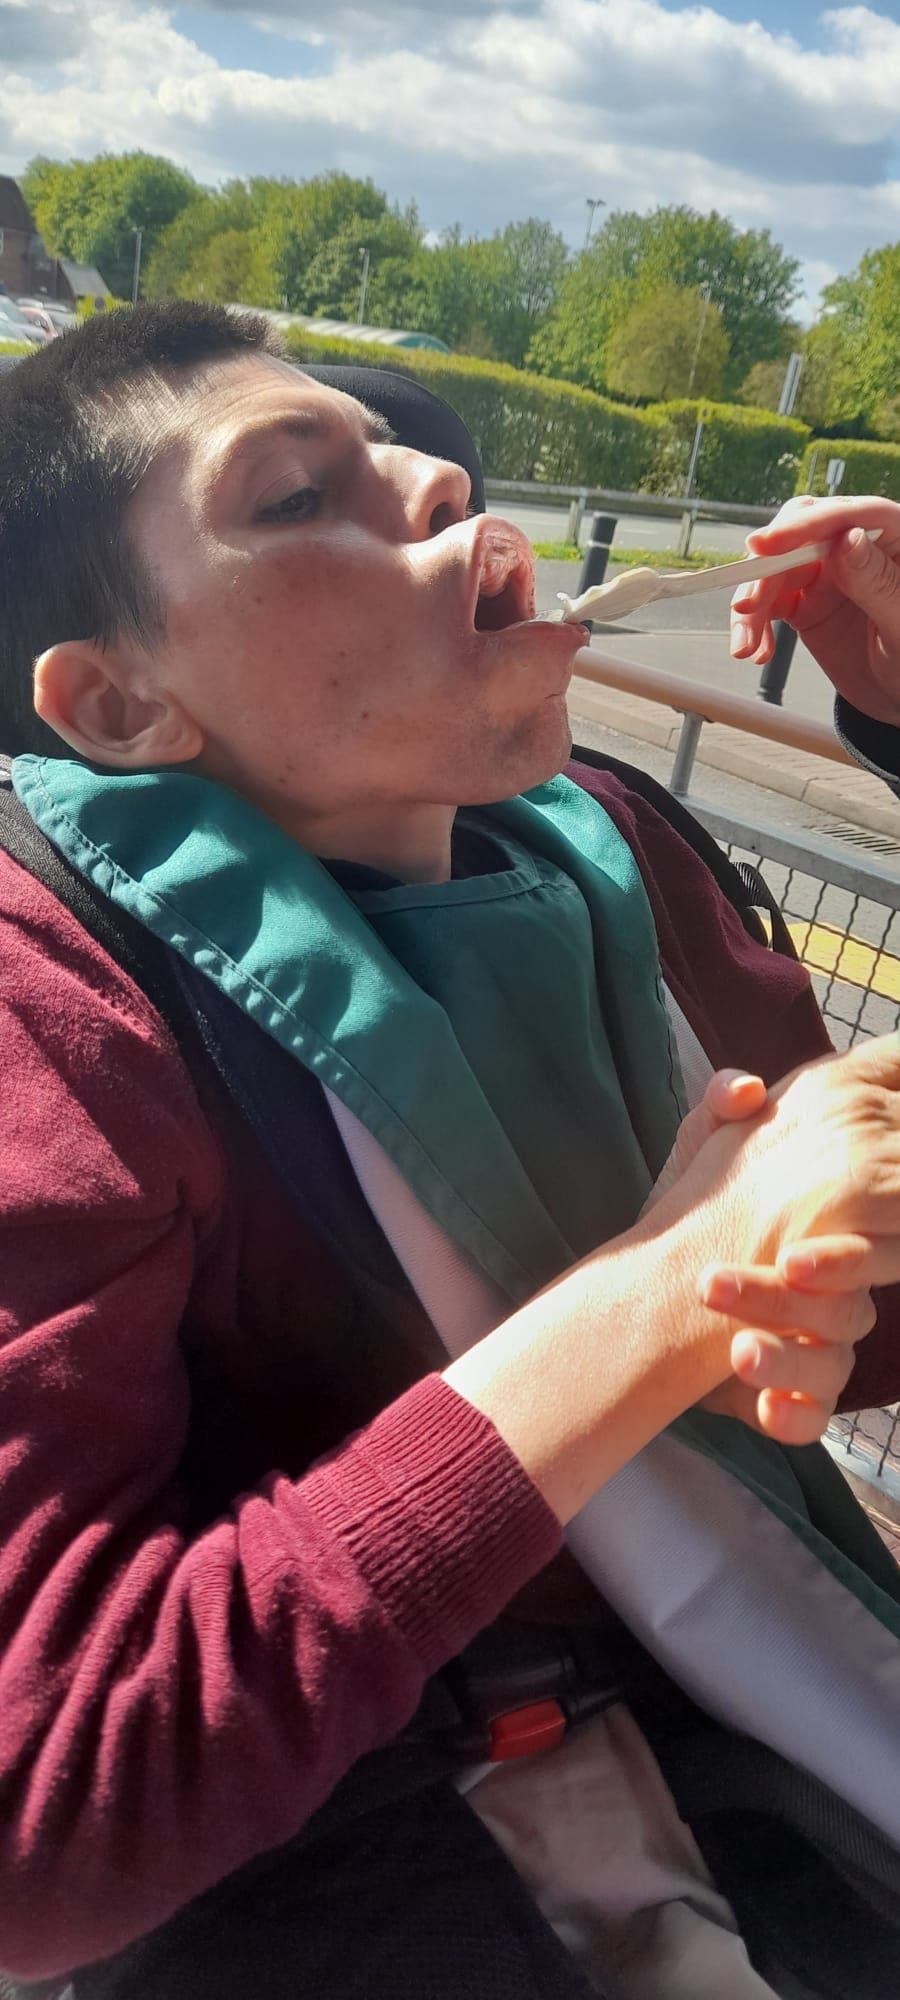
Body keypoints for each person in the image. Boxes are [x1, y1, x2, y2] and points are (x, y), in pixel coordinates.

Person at [1, 303, 900, 1998]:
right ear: (117, 704)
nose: (437, 480)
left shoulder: (617, 857)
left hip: (767, 1798)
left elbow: (868, 1341)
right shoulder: (55, 1004)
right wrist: (658, 1298)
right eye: (295, 494)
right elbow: (44, 1812)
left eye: (404, 450)